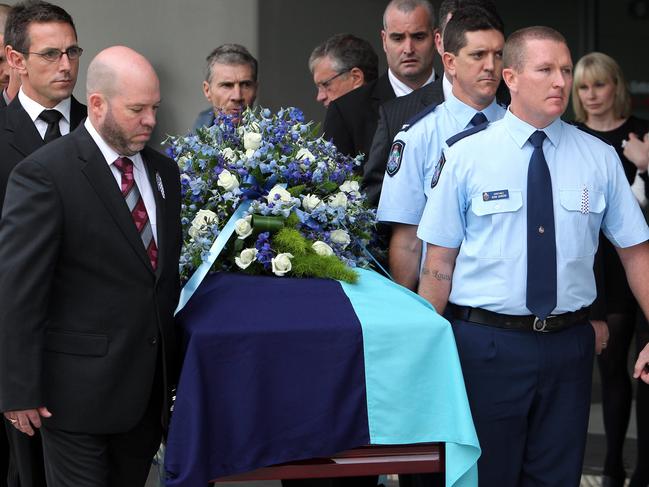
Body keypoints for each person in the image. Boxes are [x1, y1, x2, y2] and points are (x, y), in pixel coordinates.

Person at [417, 26, 649, 486]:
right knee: (487, 477)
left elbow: (637, 254)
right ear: (512, 77)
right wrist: (425, 352)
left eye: (566, 69)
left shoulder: (598, 158)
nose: (561, 81)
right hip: (485, 345)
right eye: (546, 70)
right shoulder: (466, 156)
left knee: (556, 478)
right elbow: (438, 263)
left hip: (568, 347)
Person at [0, 45, 182, 487]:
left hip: (145, 396)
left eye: (154, 108)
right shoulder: (45, 173)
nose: (150, 121)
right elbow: (19, 288)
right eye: (137, 109)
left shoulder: (164, 172)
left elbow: (158, 277)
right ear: (97, 103)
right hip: (73, 397)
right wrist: (17, 388)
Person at [0, 2, 87, 485]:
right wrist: (13, 379)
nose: (66, 65)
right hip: (24, 349)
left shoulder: (105, 129)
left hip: (98, 352)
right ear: (15, 59)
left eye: (72, 51)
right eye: (51, 54)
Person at [377, 6, 505, 291]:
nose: (490, 66)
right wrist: (410, 313)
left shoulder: (520, 130)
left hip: (507, 302)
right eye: (478, 55)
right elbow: (408, 241)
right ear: (449, 62)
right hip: (443, 300)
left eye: (498, 55)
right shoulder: (419, 135)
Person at [572, 51, 649, 487]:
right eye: (583, 87)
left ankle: (635, 467)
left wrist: (646, 165)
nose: (591, 94)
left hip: (636, 263)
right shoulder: (573, 137)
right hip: (595, 265)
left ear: (615, 85)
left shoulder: (641, 135)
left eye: (598, 84)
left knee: (639, 370)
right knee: (611, 368)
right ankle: (613, 467)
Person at [362, 0, 501, 207]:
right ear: (440, 42)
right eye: (456, 32)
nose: (488, 65)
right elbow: (377, 204)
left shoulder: (519, 108)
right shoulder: (400, 117)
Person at [322, 0, 436, 165]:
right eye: (397, 38)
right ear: (384, 40)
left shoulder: (460, 100)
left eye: (418, 37)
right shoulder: (346, 111)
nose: (408, 49)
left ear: (436, 38)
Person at [193, 43, 258, 130]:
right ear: (207, 91)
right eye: (227, 85)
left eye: (245, 85)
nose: (237, 96)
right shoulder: (194, 138)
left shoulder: (275, 139)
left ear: (256, 89)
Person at [309, 33, 378, 108]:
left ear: (356, 78)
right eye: (318, 87)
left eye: (326, 84)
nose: (320, 97)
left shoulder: (388, 117)